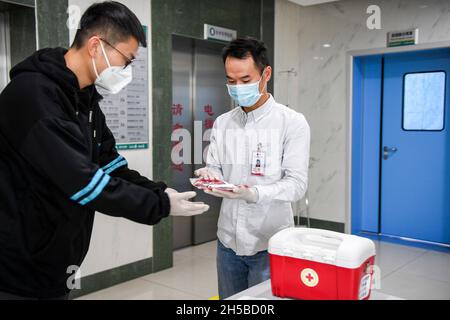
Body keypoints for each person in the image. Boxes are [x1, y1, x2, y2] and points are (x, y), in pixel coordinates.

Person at [0, 1, 208, 300]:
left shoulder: (83, 101)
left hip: (55, 260)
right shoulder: (34, 95)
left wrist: (159, 191)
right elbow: (83, 182)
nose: (127, 70)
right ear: (96, 45)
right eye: (126, 59)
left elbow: (110, 165)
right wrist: (158, 205)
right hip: (18, 266)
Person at [195, 38, 311, 299]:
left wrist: (254, 194)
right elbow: (215, 166)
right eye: (231, 81)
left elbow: (296, 185)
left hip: (269, 244)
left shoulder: (291, 123)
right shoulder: (224, 123)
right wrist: (210, 175)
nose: (237, 88)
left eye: (245, 80)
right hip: (227, 242)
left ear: (266, 74)